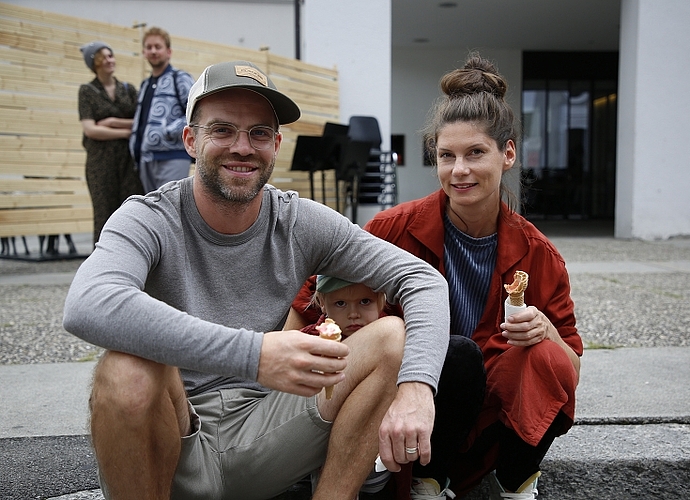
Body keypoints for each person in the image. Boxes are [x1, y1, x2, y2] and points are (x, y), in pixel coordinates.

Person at [63, 60, 450, 500]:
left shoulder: (298, 220)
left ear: (277, 144)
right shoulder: (148, 217)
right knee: (125, 368)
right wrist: (255, 353)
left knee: (388, 338)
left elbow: (422, 279)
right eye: (222, 130)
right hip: (174, 436)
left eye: (259, 133)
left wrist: (418, 388)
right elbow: (88, 302)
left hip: (268, 433)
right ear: (191, 140)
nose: (242, 147)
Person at [288, 53, 583, 500]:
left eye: (475, 153)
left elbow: (571, 370)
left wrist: (546, 331)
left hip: (492, 425)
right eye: (447, 156)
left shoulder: (539, 255)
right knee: (457, 355)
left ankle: (518, 481)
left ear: (508, 154)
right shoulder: (391, 229)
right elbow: (313, 296)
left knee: (544, 355)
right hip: (409, 419)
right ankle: (429, 482)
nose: (459, 170)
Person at [300, 275, 392, 495]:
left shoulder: (391, 341)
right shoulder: (309, 342)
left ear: (381, 299)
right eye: (340, 303)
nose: (353, 313)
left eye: (365, 302)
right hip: (319, 443)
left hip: (375, 447)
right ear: (322, 302)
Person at [78, 41, 144, 242]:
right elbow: (90, 130)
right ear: (94, 63)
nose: (109, 60)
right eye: (103, 57)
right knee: (103, 215)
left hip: (128, 162)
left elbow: (142, 123)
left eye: (111, 56)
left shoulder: (128, 89)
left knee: (130, 212)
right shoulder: (87, 91)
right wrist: (124, 133)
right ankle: (101, 266)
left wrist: (112, 122)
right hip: (100, 164)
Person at [130, 27, 195, 193]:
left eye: (158, 47)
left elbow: (196, 113)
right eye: (149, 47)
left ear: (169, 51)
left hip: (173, 156)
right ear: (144, 52)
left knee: (172, 208)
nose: (153, 51)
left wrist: (167, 131)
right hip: (145, 160)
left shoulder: (180, 78)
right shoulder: (145, 85)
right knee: (153, 213)